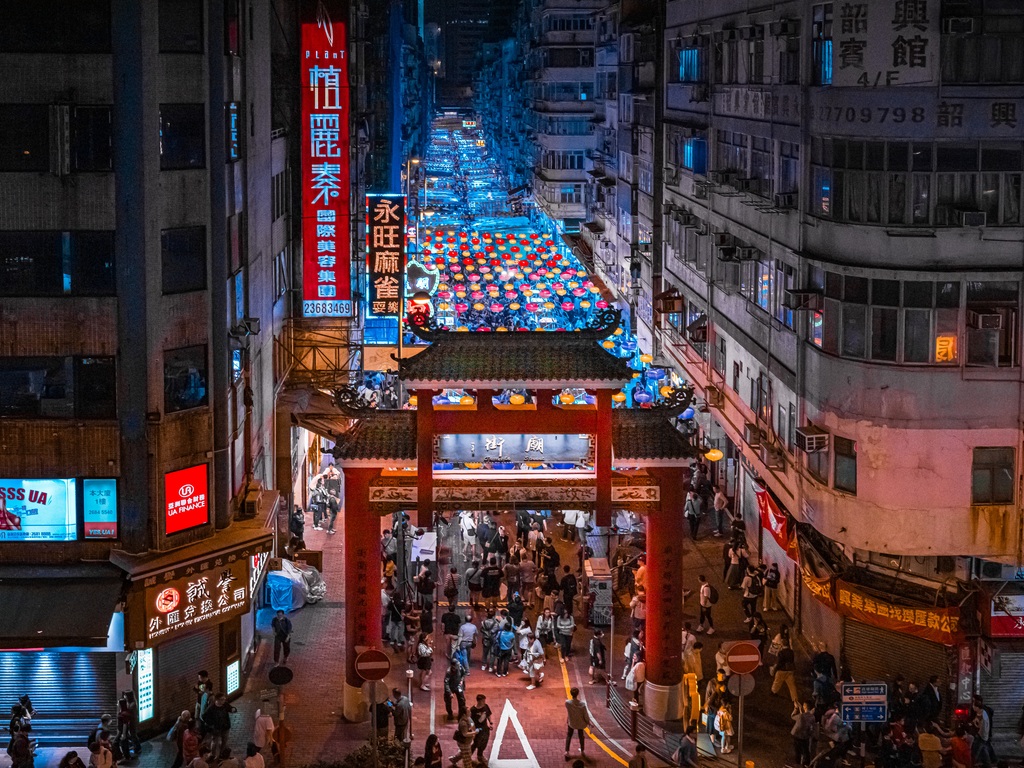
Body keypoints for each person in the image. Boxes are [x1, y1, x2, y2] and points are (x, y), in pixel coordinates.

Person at [202, 694, 234, 760]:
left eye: (224, 699)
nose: (224, 701)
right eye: (222, 699)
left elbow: (230, 708)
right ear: (217, 700)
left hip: (225, 727)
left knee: (224, 741)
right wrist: (211, 723)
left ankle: (221, 754)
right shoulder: (211, 708)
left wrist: (232, 709)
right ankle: (213, 754)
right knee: (215, 742)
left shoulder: (225, 705)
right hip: (216, 729)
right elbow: (204, 716)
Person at [564, 687, 592, 761]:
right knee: (581, 736)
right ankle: (582, 751)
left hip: (572, 722)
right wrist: (589, 722)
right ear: (577, 694)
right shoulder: (582, 705)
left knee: (569, 735)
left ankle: (567, 751)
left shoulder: (567, 703)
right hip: (580, 723)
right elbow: (585, 715)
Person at [469, 694, 493, 765]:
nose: (484, 702)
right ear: (479, 701)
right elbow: (471, 721)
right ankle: (469, 755)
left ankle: (480, 755)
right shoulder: (473, 710)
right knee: (476, 743)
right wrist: (473, 730)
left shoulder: (486, 706)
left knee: (484, 742)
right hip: (477, 730)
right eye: (483, 701)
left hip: (485, 728)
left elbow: (488, 715)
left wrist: (490, 722)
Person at [792, 700, 815, 766]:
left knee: (797, 751)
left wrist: (796, 708)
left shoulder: (801, 716)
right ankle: (806, 764)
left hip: (797, 735)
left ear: (805, 706)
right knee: (806, 751)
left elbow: (793, 716)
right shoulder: (812, 717)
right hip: (805, 737)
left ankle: (798, 764)